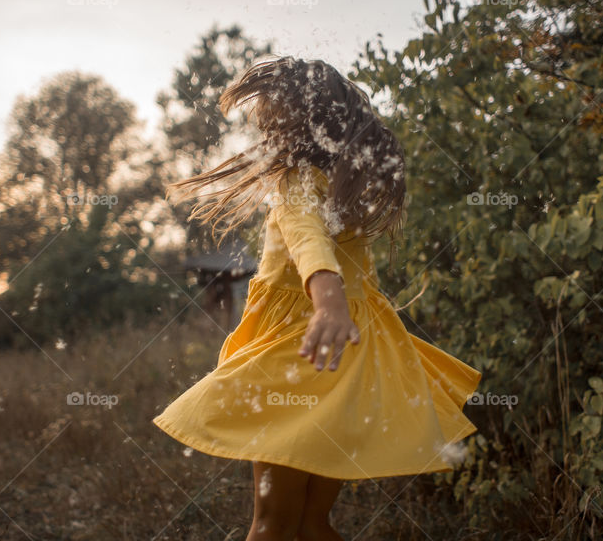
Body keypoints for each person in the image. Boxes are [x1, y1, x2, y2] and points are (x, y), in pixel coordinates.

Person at [152, 56, 482, 541]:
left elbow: (309, 241)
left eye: (268, 114)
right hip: (348, 356)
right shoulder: (348, 179)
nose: (263, 123)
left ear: (291, 121)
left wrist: (327, 302)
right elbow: (326, 248)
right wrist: (336, 305)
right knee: (310, 523)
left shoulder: (297, 178)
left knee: (271, 525)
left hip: (299, 352)